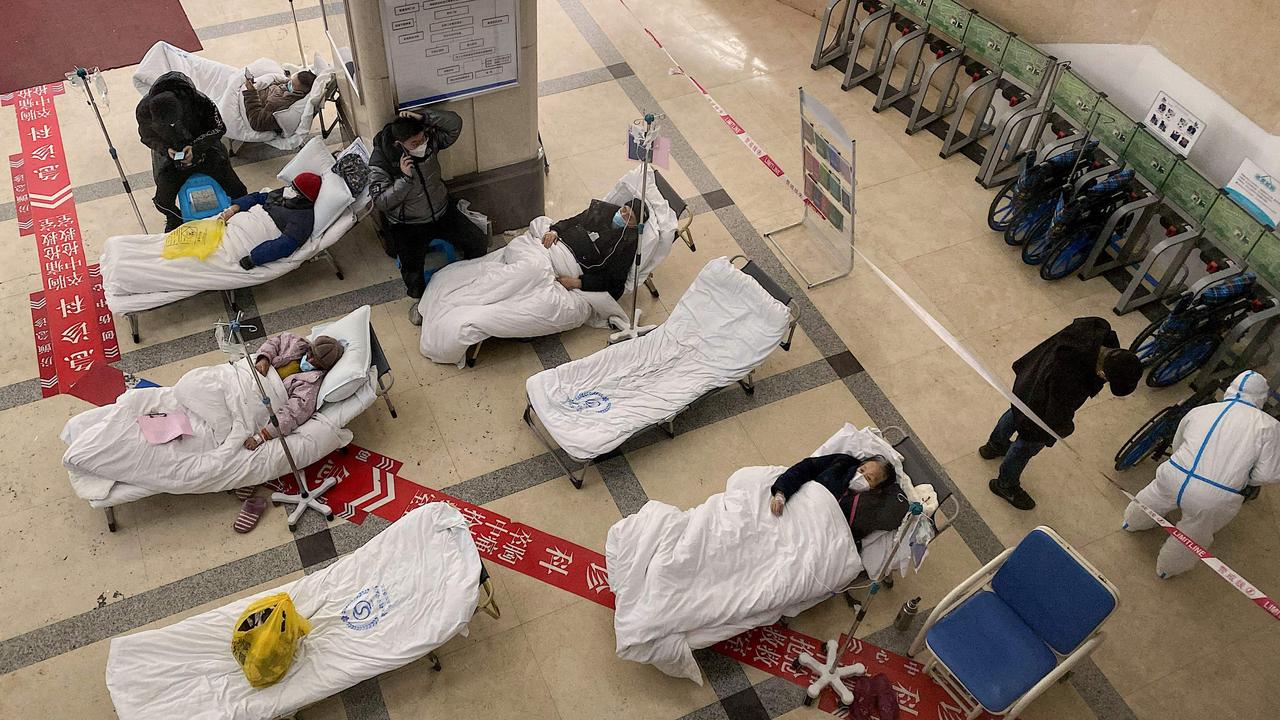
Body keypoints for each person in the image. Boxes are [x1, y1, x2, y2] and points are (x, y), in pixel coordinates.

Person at [1123, 371, 1280, 578]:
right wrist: (1244, 476)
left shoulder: (1202, 410)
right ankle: (1167, 568)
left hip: (1174, 473)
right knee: (1193, 533)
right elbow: (1269, 473)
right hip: (1214, 495)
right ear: (1261, 397)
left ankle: (1132, 522)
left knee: (1153, 496)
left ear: (1231, 388)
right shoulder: (1269, 426)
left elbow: (1179, 442)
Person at [979, 317, 1142, 510]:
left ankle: (994, 445)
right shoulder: (1071, 377)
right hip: (1040, 404)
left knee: (1016, 412)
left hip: (1029, 379)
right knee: (1027, 443)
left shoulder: (1091, 333)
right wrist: (1062, 429)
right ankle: (1005, 484)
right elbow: (1056, 413)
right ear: (1103, 372)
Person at [369, 109, 488, 320]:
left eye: (422, 139)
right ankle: (420, 303)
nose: (421, 145)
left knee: (477, 239)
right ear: (399, 144)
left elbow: (455, 124)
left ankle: (472, 281)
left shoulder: (429, 142)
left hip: (441, 209)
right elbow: (381, 201)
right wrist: (405, 180)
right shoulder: (382, 161)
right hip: (408, 223)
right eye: (415, 144)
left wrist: (425, 118)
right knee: (412, 267)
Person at [136, 72, 248, 231]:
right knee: (162, 202)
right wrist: (166, 149)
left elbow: (219, 127)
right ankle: (175, 218)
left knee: (239, 192)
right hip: (171, 158)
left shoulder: (200, 101)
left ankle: (239, 214)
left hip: (206, 150)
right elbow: (146, 136)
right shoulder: (143, 111)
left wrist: (197, 147)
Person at [769, 454, 907, 545]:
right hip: (796, 506)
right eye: (862, 469)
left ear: (877, 488)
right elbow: (807, 467)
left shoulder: (871, 505)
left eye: (868, 478)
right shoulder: (842, 464)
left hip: (816, 536)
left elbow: (849, 537)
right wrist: (781, 492)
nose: (860, 476)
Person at [242, 333, 345, 451]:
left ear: (323, 368)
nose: (309, 360)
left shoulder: (311, 385)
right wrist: (264, 358)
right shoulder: (295, 343)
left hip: (260, 395)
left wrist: (262, 436)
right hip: (247, 374)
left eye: (316, 363)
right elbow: (274, 342)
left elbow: (293, 413)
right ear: (310, 347)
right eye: (311, 354)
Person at [541, 198, 649, 300]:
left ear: (634, 226)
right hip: (556, 245)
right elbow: (573, 221)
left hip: (574, 266)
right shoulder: (599, 211)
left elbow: (615, 281)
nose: (623, 215)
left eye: (629, 218)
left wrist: (578, 283)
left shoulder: (627, 244)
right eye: (624, 210)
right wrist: (555, 231)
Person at [218, 171, 322, 270]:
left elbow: (286, 245)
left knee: (220, 253)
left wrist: (254, 258)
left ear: (303, 197)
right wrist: (235, 207)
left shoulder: (302, 217)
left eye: (294, 190)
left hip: (252, 237)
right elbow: (259, 197)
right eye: (291, 186)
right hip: (240, 224)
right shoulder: (285, 195)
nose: (289, 189)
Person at [241, 70, 316, 133]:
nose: (289, 83)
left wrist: (251, 93)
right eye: (291, 80)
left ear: (299, 93)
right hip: (258, 89)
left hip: (245, 100)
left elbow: (257, 122)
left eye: (292, 84)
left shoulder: (281, 103)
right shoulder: (288, 88)